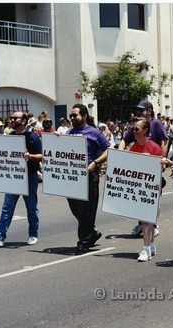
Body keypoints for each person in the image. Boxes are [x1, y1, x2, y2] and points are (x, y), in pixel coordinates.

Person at [0, 111, 43, 247]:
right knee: (7, 207)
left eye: (15, 118)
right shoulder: (10, 136)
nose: (12, 120)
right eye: (12, 118)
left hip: (29, 177)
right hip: (14, 178)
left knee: (31, 208)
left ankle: (33, 234)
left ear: (23, 121)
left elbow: (42, 156)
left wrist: (30, 156)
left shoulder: (32, 137)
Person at [119, 100, 168, 237]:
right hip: (139, 167)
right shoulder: (136, 126)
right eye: (138, 110)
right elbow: (124, 140)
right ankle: (142, 224)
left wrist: (162, 161)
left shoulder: (156, 124)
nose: (139, 112)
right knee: (138, 196)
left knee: (152, 197)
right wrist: (120, 154)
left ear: (149, 111)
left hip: (153, 163)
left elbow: (164, 141)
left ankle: (153, 224)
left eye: (142, 110)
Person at [66, 104, 110, 255]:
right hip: (72, 176)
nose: (72, 118)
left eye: (75, 115)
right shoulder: (68, 132)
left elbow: (108, 150)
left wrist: (96, 163)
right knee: (75, 208)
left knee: (87, 210)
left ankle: (84, 242)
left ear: (84, 116)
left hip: (89, 175)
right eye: (71, 115)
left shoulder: (95, 133)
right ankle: (92, 231)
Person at [127, 117, 165, 262]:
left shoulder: (154, 147)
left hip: (152, 187)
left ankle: (146, 249)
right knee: (145, 220)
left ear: (145, 131)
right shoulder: (133, 148)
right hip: (139, 188)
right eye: (132, 129)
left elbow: (161, 167)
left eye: (136, 129)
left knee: (148, 219)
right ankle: (150, 246)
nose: (134, 132)